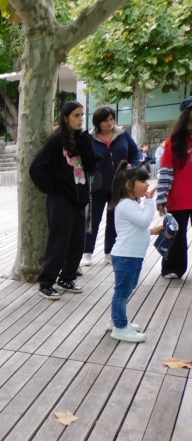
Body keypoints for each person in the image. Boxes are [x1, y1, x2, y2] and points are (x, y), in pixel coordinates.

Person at [30, 101, 99, 300]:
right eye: (76, 115)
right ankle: (46, 283)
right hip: (61, 199)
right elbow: (36, 168)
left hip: (79, 198)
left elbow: (92, 166)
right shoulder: (56, 141)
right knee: (59, 241)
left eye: (82, 115)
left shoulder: (81, 139)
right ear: (66, 117)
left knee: (77, 240)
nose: (80, 119)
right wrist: (54, 189)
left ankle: (67, 277)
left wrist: (85, 144)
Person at [108, 162, 164, 342]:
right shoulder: (126, 204)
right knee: (122, 292)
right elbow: (143, 220)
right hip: (126, 257)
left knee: (126, 290)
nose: (147, 184)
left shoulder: (129, 204)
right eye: (143, 181)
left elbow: (134, 227)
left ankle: (117, 320)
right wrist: (149, 202)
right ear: (128, 185)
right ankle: (120, 327)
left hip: (131, 256)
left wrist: (151, 232)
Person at [82, 106, 140, 266]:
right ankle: (87, 252)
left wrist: (133, 169)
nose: (110, 123)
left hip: (119, 185)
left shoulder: (122, 134)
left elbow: (135, 153)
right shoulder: (89, 137)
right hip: (97, 186)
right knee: (92, 220)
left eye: (112, 119)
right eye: (106, 120)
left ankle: (109, 252)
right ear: (98, 122)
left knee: (114, 220)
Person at [156, 96, 192, 279]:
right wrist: (161, 197)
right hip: (178, 196)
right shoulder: (174, 142)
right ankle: (172, 268)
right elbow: (166, 171)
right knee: (176, 235)